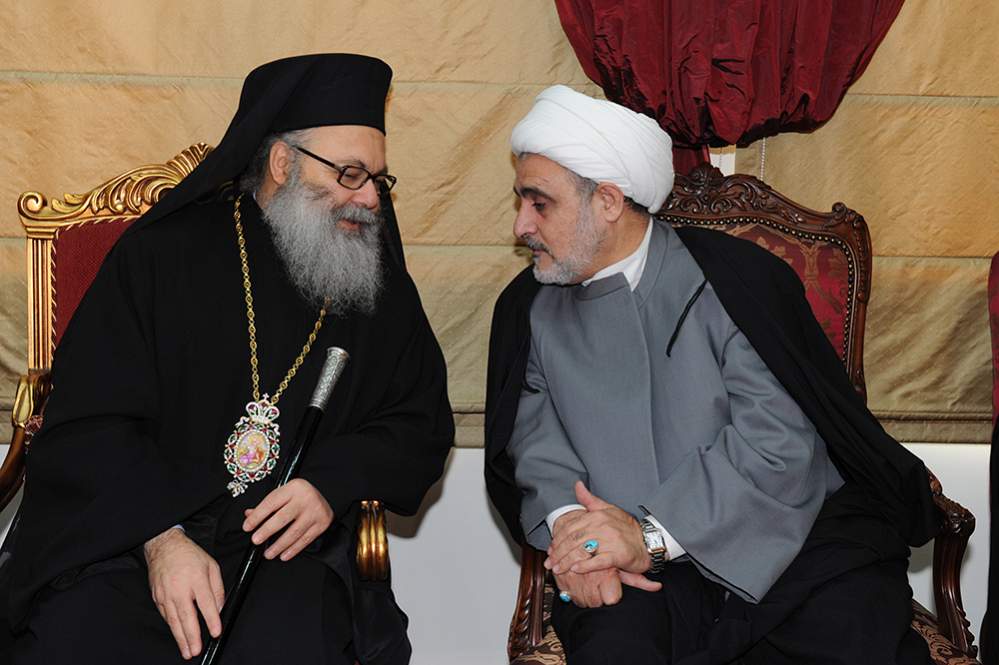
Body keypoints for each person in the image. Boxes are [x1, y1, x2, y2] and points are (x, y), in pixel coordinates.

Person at [1, 54, 454, 665]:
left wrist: (331, 482)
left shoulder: (375, 286)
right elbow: (88, 423)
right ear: (282, 163)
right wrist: (159, 539)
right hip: (135, 536)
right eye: (350, 174)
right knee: (82, 636)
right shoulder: (161, 258)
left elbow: (420, 422)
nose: (370, 198)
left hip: (284, 551)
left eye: (378, 179)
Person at [484, 85, 939, 664]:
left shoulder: (735, 279)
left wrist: (652, 536)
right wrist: (579, 539)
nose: (521, 225)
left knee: (852, 632)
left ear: (608, 201)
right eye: (521, 202)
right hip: (624, 565)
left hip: (783, 536)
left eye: (539, 203)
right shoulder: (529, 308)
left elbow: (778, 443)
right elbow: (535, 445)